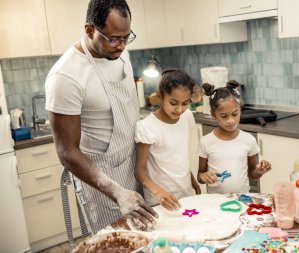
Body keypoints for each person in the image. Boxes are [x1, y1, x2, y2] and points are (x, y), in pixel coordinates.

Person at [45, 0, 157, 238]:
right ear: (89, 30)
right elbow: (66, 151)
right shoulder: (66, 76)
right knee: (118, 243)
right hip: (103, 179)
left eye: (127, 38)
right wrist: (116, 191)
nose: (122, 46)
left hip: (134, 164)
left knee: (150, 240)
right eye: (114, 38)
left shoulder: (119, 53)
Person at [134, 69, 201, 211]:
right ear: (160, 97)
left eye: (185, 103)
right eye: (173, 103)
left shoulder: (187, 116)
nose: (179, 109)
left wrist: (190, 177)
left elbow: (177, 153)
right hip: (160, 200)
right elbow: (139, 172)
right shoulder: (147, 127)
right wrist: (159, 193)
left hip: (185, 192)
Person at [197, 80, 272, 194]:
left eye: (235, 114)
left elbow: (252, 174)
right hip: (215, 202)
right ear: (214, 115)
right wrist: (203, 177)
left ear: (240, 110)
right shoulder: (206, 142)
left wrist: (259, 171)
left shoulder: (248, 140)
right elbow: (200, 175)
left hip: (242, 199)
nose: (230, 120)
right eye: (223, 116)